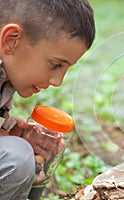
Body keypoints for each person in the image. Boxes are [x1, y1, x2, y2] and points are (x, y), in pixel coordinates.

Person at [0, 0, 95, 199]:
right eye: (55, 64)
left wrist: (8, 129)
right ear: (11, 41)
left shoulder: (8, 72)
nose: (58, 81)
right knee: (17, 157)